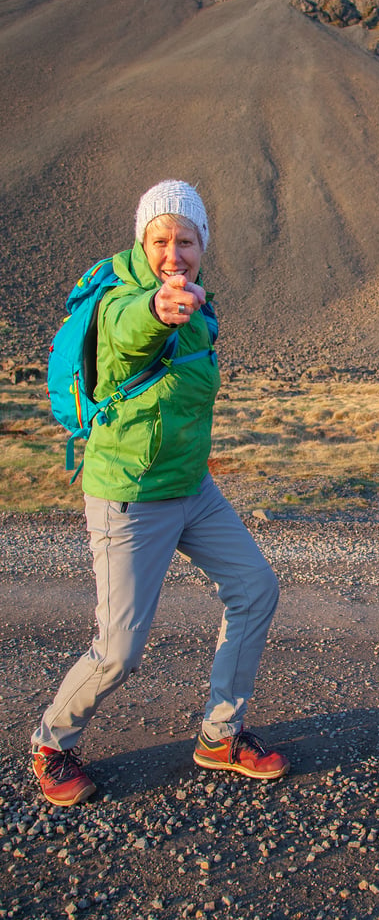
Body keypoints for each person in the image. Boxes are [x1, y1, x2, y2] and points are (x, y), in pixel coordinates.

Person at [33, 180, 289, 806]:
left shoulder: (204, 306)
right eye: (161, 240)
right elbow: (129, 330)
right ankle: (52, 742)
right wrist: (158, 310)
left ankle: (220, 734)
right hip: (130, 496)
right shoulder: (125, 300)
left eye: (186, 240)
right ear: (141, 241)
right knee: (119, 650)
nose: (173, 255)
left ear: (204, 244)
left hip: (191, 488)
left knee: (256, 587)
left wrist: (186, 309)